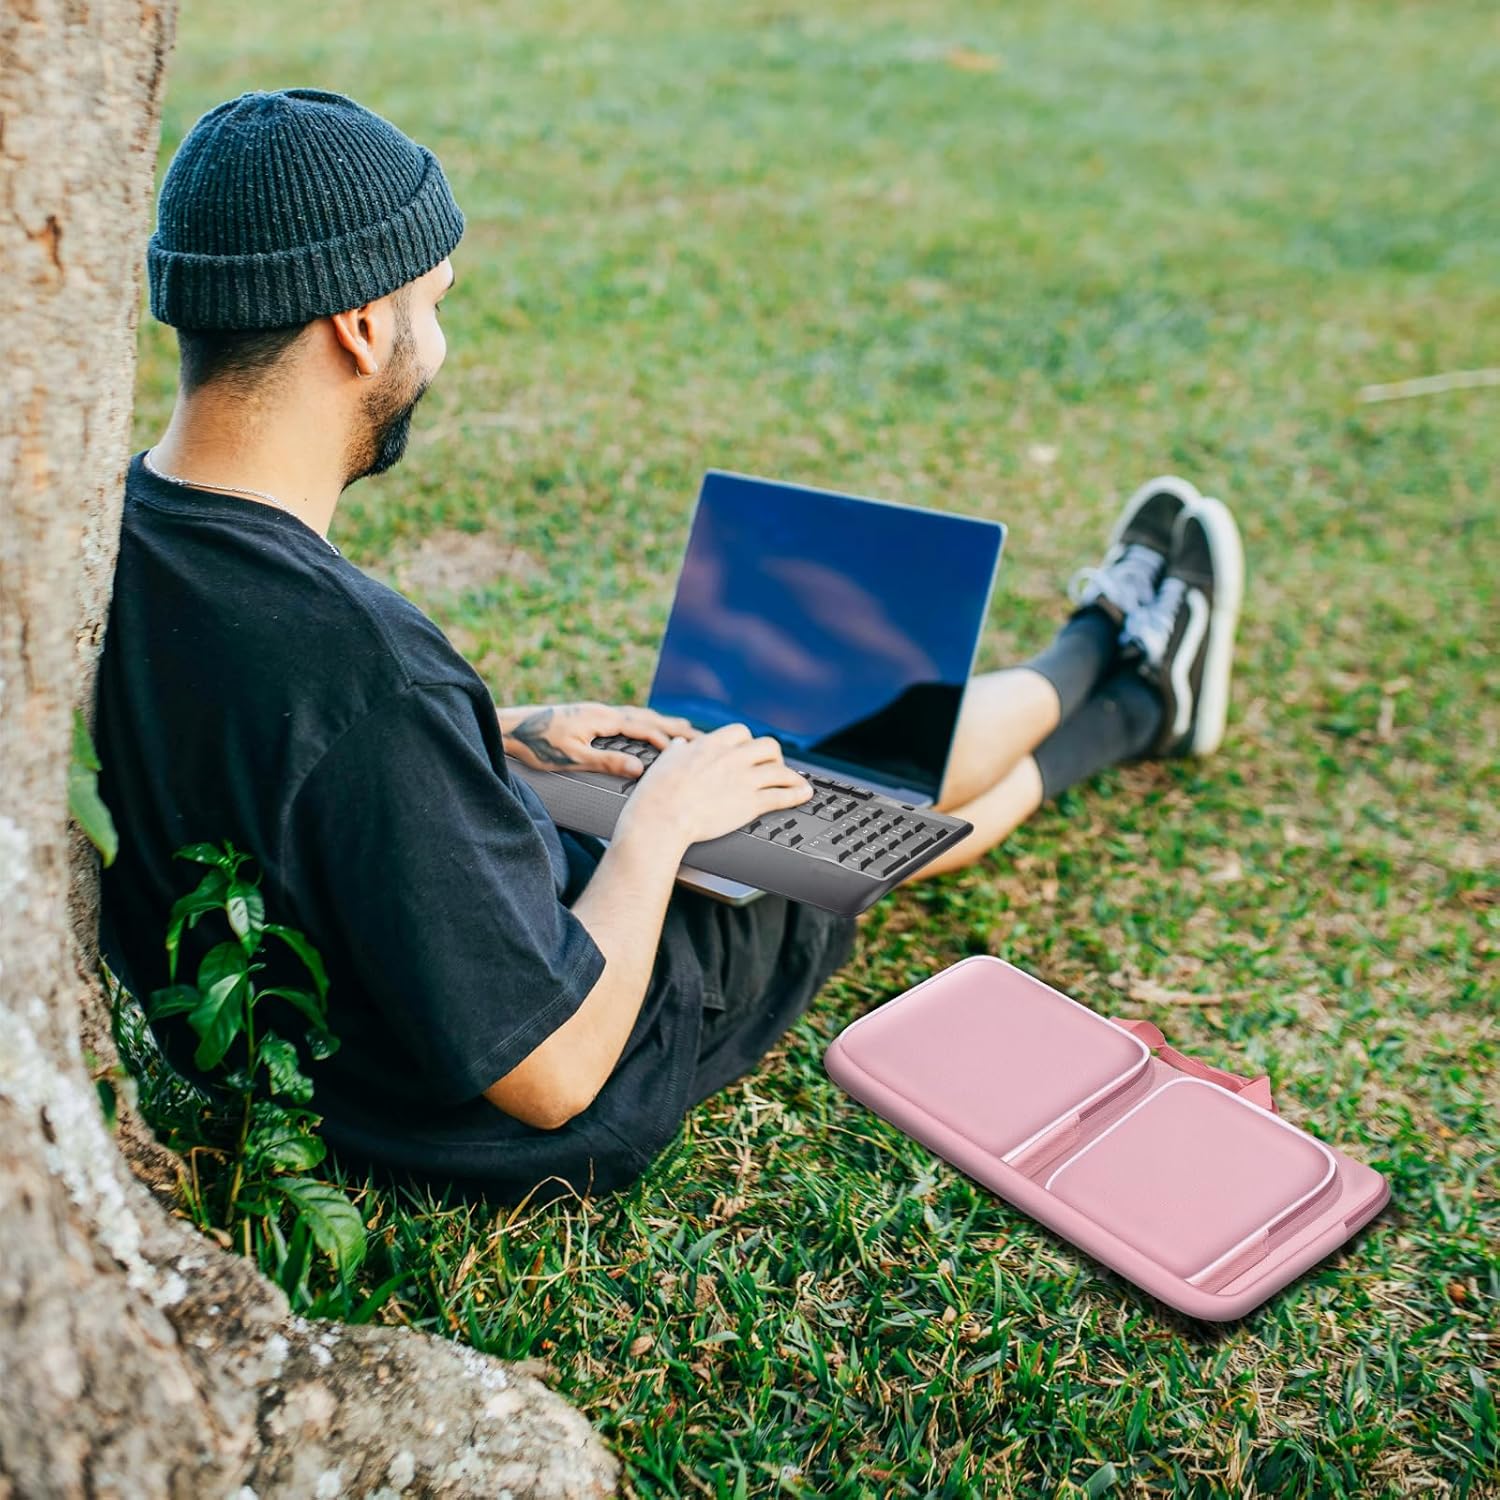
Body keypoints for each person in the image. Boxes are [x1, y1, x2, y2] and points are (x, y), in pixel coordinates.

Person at [96, 89, 1243, 1208]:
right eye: (433, 306)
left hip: (356, 1019)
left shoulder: (106, 541)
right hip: (512, 1095)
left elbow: (279, 745)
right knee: (841, 791)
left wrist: (493, 735)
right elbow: (551, 1078)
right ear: (358, 328)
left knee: (753, 782)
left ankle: (1133, 685)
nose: (437, 344)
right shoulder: (372, 676)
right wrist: (658, 832)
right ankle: (1110, 660)